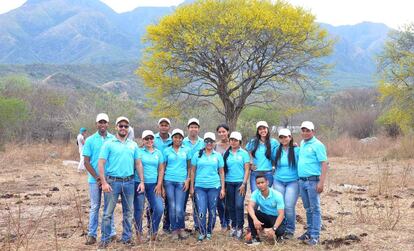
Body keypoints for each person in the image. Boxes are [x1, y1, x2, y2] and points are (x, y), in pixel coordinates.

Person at [98, 117, 144, 248]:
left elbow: (138, 163)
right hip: (112, 182)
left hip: (129, 182)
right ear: (116, 127)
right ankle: (105, 239)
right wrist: (104, 182)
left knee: (128, 212)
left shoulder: (133, 144)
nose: (123, 128)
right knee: (108, 213)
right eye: (121, 126)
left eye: (126, 126)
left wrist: (142, 181)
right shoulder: (108, 143)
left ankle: (127, 238)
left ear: (128, 128)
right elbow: (101, 163)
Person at [82, 113, 116, 245]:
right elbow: (86, 161)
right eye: (100, 122)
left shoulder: (113, 139)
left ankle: (111, 232)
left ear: (108, 124)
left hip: (110, 179)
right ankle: (92, 234)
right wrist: (97, 177)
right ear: (96, 124)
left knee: (109, 207)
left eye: (105, 122)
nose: (102, 125)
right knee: (95, 207)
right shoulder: (90, 140)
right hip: (94, 180)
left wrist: (106, 179)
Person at [297, 121, 328, 246]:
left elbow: (324, 163)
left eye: (308, 130)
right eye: (303, 130)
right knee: (307, 208)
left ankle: (315, 235)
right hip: (302, 181)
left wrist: (321, 182)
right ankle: (309, 231)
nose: (305, 133)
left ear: (313, 131)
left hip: (313, 181)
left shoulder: (318, 145)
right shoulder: (302, 143)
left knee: (315, 208)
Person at [190, 132, 225, 241]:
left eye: (211, 141)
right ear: (204, 142)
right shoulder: (197, 155)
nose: (209, 143)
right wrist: (192, 187)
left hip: (214, 186)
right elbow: (192, 171)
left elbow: (221, 172)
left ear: (214, 143)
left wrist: (223, 188)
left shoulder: (218, 155)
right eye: (207, 141)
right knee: (201, 210)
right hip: (200, 187)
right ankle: (202, 231)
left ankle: (209, 231)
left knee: (212, 210)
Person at [160, 128, 192, 240]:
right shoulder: (166, 151)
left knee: (179, 208)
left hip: (181, 182)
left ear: (182, 139)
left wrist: (188, 180)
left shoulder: (187, 150)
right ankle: (174, 230)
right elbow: (163, 167)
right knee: (172, 207)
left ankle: (181, 229)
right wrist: (162, 184)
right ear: (172, 138)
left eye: (179, 137)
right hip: (169, 181)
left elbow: (189, 167)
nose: (177, 139)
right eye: (175, 137)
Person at [134, 130, 165, 242]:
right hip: (139, 184)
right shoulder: (138, 151)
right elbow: (136, 165)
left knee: (159, 208)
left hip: (153, 185)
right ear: (143, 140)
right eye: (146, 138)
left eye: (151, 138)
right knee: (139, 209)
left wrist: (159, 184)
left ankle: (153, 232)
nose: (149, 140)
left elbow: (161, 169)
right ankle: (138, 234)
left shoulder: (158, 153)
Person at [272, 128, 299, 239]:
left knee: (288, 206)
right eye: (281, 137)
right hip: (278, 180)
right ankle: (281, 229)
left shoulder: (297, 150)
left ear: (290, 137)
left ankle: (290, 230)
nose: (283, 139)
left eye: (286, 137)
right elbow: (271, 161)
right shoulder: (276, 150)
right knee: (280, 206)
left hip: (293, 181)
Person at [223, 131, 250, 239]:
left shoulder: (243, 153)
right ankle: (233, 226)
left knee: (239, 205)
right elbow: (223, 170)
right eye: (231, 140)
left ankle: (240, 227)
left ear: (239, 141)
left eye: (235, 140)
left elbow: (247, 169)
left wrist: (244, 183)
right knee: (231, 206)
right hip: (229, 183)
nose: (233, 142)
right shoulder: (227, 153)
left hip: (240, 183)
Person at [245, 175, 286, 246]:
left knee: (280, 231)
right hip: (265, 217)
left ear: (267, 182)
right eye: (258, 183)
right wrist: (255, 220)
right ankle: (255, 238)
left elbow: (281, 214)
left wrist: (274, 229)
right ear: (256, 184)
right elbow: (249, 207)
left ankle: (279, 237)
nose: (260, 185)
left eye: (262, 182)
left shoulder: (277, 195)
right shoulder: (255, 193)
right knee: (251, 212)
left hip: (275, 218)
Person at [182, 118, 205, 231]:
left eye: (195, 127)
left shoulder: (203, 142)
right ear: (188, 128)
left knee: (197, 202)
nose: (193, 129)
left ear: (198, 129)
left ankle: (198, 225)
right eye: (191, 127)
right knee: (182, 202)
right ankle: (180, 226)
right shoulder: (182, 141)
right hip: (183, 177)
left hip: (198, 177)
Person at [246, 121, 279, 191]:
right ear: (258, 131)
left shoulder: (274, 142)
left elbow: (281, 151)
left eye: (264, 128)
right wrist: (250, 162)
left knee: (265, 195)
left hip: (268, 173)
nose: (262, 131)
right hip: (255, 173)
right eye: (260, 129)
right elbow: (247, 152)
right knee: (255, 195)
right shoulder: (253, 142)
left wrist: (292, 145)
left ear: (267, 129)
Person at [154, 117, 172, 233]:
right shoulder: (152, 138)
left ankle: (167, 226)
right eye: (162, 125)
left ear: (169, 127)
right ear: (158, 126)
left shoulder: (174, 138)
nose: (164, 127)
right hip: (154, 174)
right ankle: (153, 227)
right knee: (154, 201)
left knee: (169, 201)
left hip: (169, 174)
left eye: (166, 125)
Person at [215, 124, 231, 231]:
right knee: (219, 201)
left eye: (224, 131)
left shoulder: (234, 143)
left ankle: (229, 221)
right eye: (220, 132)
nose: (222, 134)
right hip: (218, 176)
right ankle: (223, 223)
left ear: (228, 132)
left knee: (229, 201)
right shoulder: (215, 146)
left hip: (231, 176)